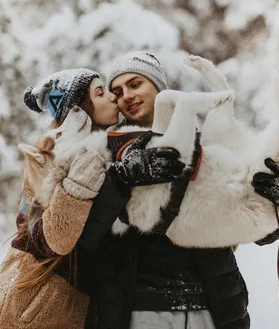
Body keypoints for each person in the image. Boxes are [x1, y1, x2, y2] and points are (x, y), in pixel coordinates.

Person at [78, 51, 279, 329]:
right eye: (117, 91)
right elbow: (88, 236)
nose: (126, 95)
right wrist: (122, 180)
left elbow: (247, 221)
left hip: (214, 308)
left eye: (135, 84)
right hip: (140, 310)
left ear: (159, 88)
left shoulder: (203, 149)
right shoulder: (106, 154)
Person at [2, 68, 185, 329]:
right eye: (101, 93)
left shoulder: (114, 148)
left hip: (82, 307)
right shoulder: (52, 155)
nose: (113, 98)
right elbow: (50, 238)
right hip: (34, 305)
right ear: (79, 110)